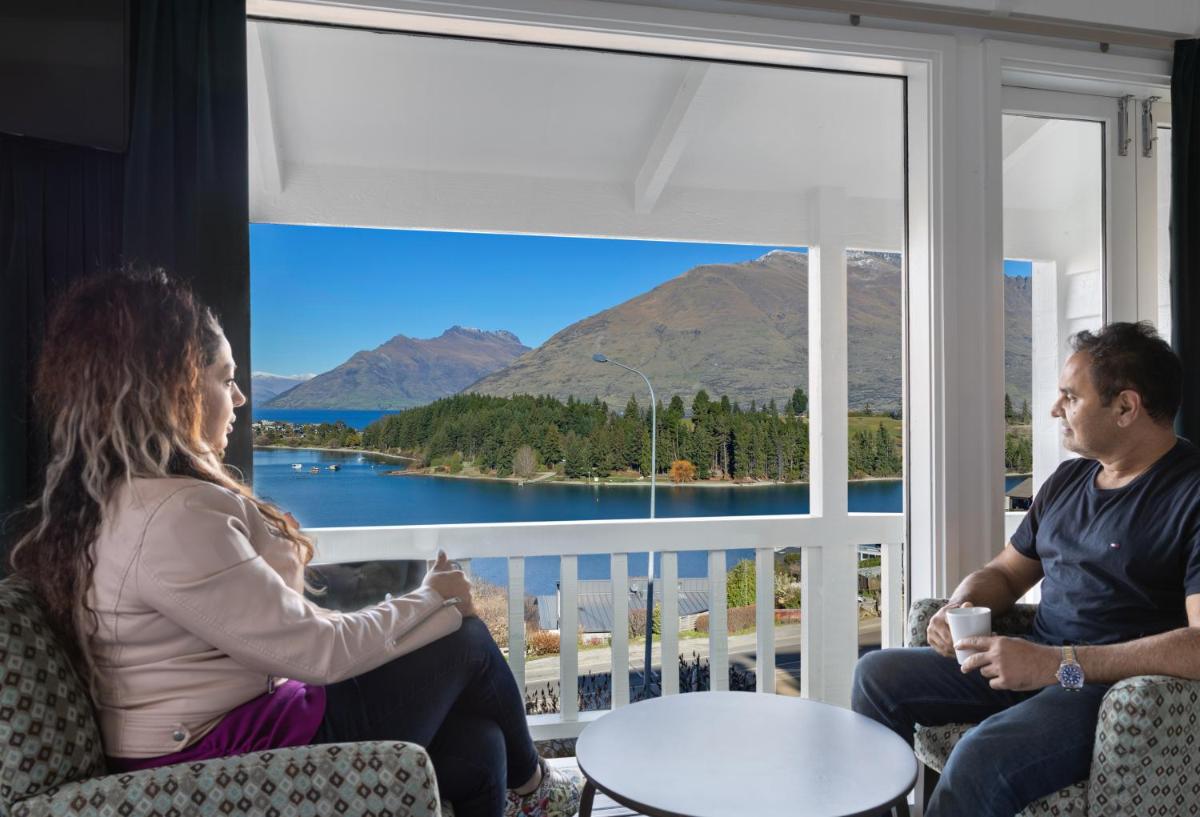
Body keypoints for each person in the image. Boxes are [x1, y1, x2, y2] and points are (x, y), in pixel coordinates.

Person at [8, 269, 581, 817]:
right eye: (225, 379)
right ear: (173, 387)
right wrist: (435, 599)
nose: (240, 399)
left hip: (228, 729)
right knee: (467, 640)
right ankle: (537, 792)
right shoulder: (172, 516)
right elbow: (317, 652)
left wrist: (421, 605)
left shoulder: (123, 503)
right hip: (220, 756)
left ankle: (524, 790)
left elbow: (278, 633)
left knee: (480, 748)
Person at [852, 321, 1200, 817]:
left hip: (1102, 691)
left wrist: (1058, 664)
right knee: (875, 674)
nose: (1056, 409)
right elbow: (1006, 573)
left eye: (1070, 397)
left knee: (980, 755)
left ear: (1126, 407)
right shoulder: (1068, 480)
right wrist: (962, 604)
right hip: (1029, 662)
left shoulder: (1190, 494)